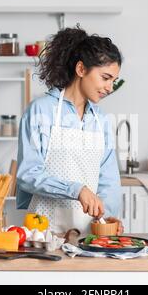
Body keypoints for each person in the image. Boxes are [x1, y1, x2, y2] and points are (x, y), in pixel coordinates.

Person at [16, 26, 123, 235]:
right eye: (105, 77)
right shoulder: (41, 111)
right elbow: (27, 174)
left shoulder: (100, 120)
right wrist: (76, 190)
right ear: (81, 69)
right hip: (44, 233)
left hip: (89, 236)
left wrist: (109, 216)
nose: (110, 88)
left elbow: (109, 179)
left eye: (113, 81)